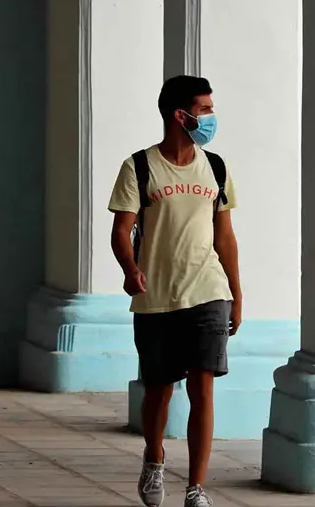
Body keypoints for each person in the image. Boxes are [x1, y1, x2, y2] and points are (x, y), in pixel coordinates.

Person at [108, 75, 242, 507]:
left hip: (208, 290)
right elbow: (121, 230)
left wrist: (237, 296)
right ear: (178, 115)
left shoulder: (216, 167)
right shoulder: (139, 167)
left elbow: (226, 238)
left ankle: (196, 488)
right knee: (159, 390)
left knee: (203, 386)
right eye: (204, 110)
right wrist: (130, 268)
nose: (210, 118)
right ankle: (154, 457)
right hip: (157, 296)